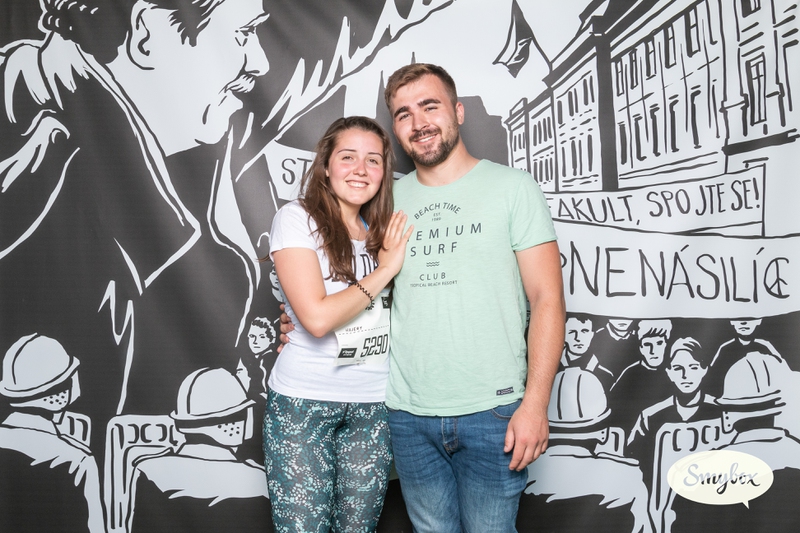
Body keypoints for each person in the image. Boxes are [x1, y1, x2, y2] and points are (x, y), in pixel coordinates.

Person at [0, 0, 272, 450]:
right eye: (242, 35)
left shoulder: (199, 199)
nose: (260, 62)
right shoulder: (40, 156)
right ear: (148, 33)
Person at [383, 63, 565, 532]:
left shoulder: (513, 188)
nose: (418, 122)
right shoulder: (385, 201)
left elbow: (547, 298)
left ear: (458, 111)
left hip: (495, 411)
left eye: (430, 106)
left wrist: (535, 404)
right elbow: (357, 287)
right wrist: (301, 319)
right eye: (403, 114)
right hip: (408, 413)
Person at [263, 116, 412, 532]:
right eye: (348, 157)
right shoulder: (296, 218)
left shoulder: (385, 231)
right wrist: (384, 271)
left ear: (384, 173)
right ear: (326, 165)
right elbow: (316, 319)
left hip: (373, 404)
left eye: (373, 160)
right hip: (303, 403)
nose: (360, 169)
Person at [626, 337, 721, 488]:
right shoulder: (650, 416)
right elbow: (631, 461)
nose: (685, 375)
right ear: (669, 372)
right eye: (678, 368)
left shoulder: (721, 412)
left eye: (693, 367)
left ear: (704, 370)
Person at [560, 314, 614, 390]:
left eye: (584, 331)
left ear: (592, 334)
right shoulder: (549, 367)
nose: (578, 338)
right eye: (572, 332)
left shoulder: (606, 375)